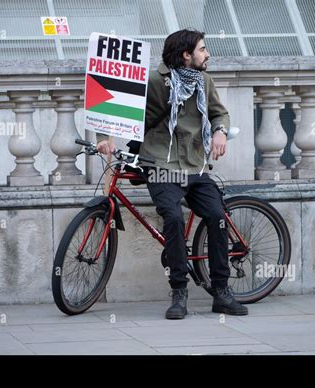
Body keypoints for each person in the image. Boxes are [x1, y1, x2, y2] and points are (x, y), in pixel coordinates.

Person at [97, 29, 248, 319]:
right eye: (202, 50)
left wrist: (220, 132)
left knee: (217, 217)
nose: (208, 54)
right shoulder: (155, 81)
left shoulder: (204, 81)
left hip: (195, 165)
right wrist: (104, 135)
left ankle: (221, 292)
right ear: (186, 55)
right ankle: (179, 292)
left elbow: (220, 113)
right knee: (175, 218)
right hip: (161, 165)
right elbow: (114, 104)